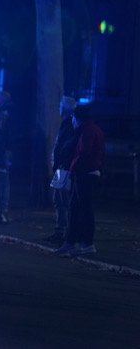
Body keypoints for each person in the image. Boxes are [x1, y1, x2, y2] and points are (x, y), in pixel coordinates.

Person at [55, 104, 105, 256]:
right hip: (86, 173)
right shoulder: (92, 129)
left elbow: (83, 153)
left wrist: (72, 169)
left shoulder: (87, 131)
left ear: (77, 118)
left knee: (82, 209)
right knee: (76, 208)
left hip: (84, 174)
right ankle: (73, 242)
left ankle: (86, 243)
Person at [44, 96, 77, 243]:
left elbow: (65, 147)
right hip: (61, 167)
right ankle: (62, 230)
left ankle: (63, 231)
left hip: (63, 168)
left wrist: (60, 163)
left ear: (64, 109)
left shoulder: (68, 124)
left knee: (61, 199)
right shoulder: (67, 123)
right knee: (59, 199)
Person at [0, 91, 13, 222]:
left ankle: (3, 208)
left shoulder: (8, 113)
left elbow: (8, 138)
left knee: (3, 180)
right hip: (2, 152)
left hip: (5, 153)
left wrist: (7, 155)